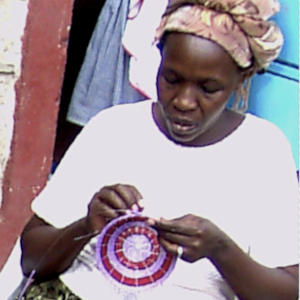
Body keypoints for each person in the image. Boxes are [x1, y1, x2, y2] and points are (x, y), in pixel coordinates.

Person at [19, 0, 299, 299]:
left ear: (241, 79)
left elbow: (288, 291)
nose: (183, 101)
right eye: (171, 79)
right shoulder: (113, 129)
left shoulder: (262, 151)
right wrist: (88, 224)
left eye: (208, 88)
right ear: (158, 62)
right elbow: (31, 259)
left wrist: (220, 249)